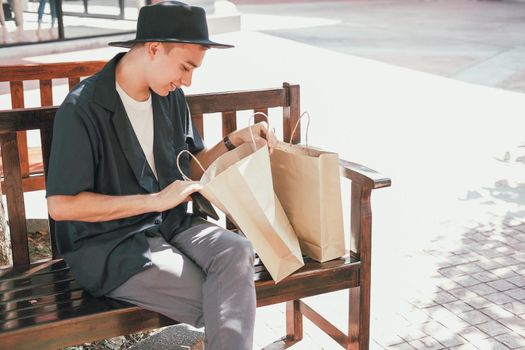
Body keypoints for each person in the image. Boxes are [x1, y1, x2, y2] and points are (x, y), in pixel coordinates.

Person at [45, 2, 277, 349]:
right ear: (153, 48)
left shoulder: (170, 98)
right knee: (226, 300)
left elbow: (189, 168)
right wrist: (154, 200)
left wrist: (232, 142)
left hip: (171, 224)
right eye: (185, 67)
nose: (188, 79)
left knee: (236, 251)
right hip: (113, 244)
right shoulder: (83, 108)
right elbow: (62, 206)